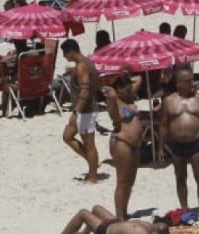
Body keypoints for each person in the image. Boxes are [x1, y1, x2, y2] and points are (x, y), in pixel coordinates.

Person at [159, 65, 199, 219]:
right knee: (180, 177)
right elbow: (164, 125)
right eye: (188, 81)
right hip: (176, 145)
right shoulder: (169, 101)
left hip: (196, 143)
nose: (192, 84)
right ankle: (184, 208)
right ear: (178, 82)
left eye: (192, 80)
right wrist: (160, 148)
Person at [61, 38, 100, 183]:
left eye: (65, 53)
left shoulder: (81, 66)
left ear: (71, 51)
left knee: (89, 143)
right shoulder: (86, 63)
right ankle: (93, 164)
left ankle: (93, 176)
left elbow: (84, 92)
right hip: (85, 109)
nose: (65, 57)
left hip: (86, 110)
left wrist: (75, 112)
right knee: (67, 136)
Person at [104, 74, 143, 220]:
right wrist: (113, 85)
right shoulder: (115, 102)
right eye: (125, 90)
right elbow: (111, 93)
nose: (129, 92)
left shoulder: (129, 98)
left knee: (130, 182)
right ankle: (120, 216)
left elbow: (139, 78)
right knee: (122, 182)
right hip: (122, 142)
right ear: (118, 90)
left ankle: (124, 212)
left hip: (135, 145)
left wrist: (125, 73)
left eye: (129, 89)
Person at [60, 205, 168, 234]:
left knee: (82, 213)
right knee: (96, 208)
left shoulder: (142, 232)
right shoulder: (149, 226)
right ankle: (84, 233)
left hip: (107, 230)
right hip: (116, 223)